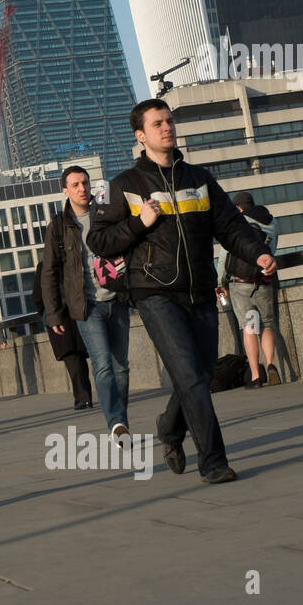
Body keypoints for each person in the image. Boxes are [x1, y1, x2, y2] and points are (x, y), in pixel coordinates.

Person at [87, 99, 275, 484]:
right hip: (153, 292)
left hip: (200, 290)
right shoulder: (120, 186)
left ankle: (170, 428)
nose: (167, 128)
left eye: (169, 121)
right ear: (140, 135)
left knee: (201, 375)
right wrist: (140, 223)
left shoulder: (199, 179)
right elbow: (98, 240)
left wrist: (257, 253)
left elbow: (230, 227)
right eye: (157, 123)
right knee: (189, 376)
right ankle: (214, 462)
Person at [41, 165, 133, 443]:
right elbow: (49, 272)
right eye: (76, 185)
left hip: (116, 299)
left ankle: (121, 422)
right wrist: (55, 314)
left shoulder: (106, 214)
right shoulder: (58, 226)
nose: (82, 189)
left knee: (121, 367)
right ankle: (116, 423)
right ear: (65, 191)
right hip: (86, 306)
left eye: (85, 183)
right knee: (103, 364)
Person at [217, 190, 282, 388]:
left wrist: (220, 282)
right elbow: (272, 251)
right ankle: (271, 364)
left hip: (240, 283)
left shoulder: (237, 222)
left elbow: (225, 255)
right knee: (267, 324)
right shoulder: (272, 222)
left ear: (238, 208)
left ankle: (255, 375)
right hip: (263, 280)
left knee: (250, 326)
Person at [32, 261, 94, 410]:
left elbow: (37, 296)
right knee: (78, 357)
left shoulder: (44, 267)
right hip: (77, 315)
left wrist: (46, 314)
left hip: (58, 319)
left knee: (72, 359)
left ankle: (83, 398)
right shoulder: (71, 262)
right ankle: (84, 397)